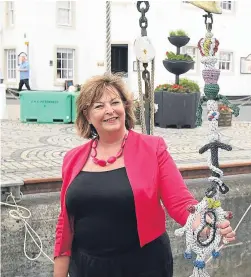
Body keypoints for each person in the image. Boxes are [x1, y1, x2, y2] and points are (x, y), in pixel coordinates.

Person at [53, 73, 236, 277]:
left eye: (115, 102)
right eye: (99, 106)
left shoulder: (153, 148)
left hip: (143, 265)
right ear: (87, 115)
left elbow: (179, 202)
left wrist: (204, 224)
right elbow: (65, 223)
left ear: (125, 107)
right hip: (86, 267)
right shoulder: (72, 158)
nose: (110, 110)